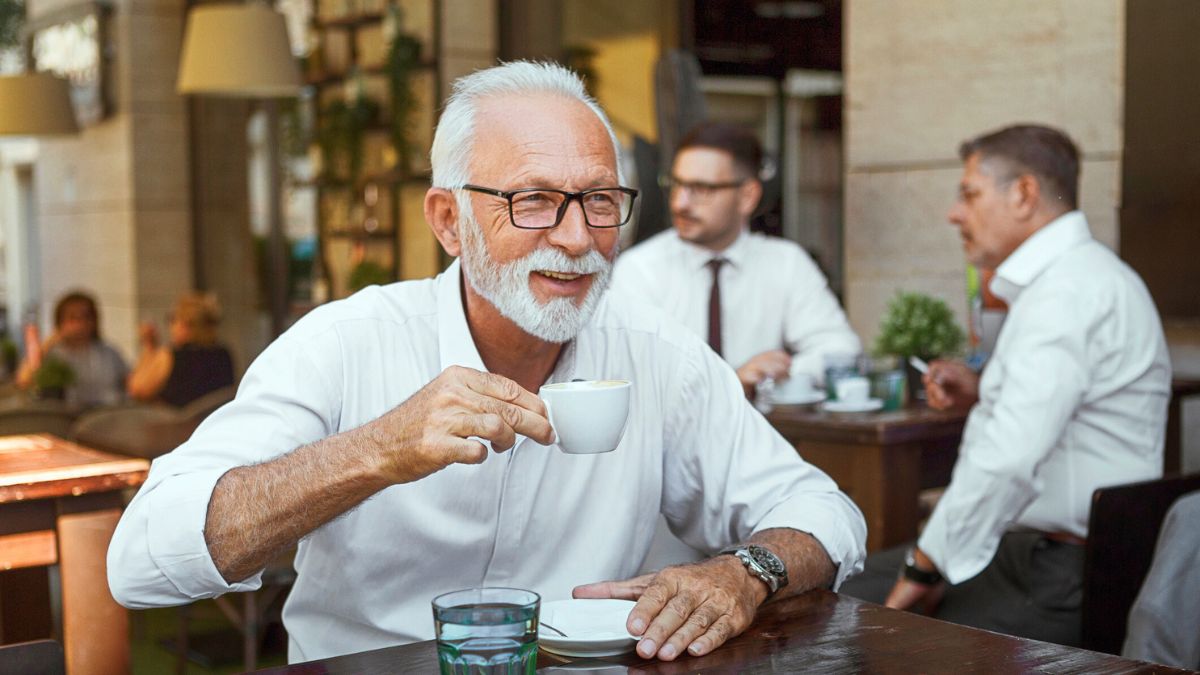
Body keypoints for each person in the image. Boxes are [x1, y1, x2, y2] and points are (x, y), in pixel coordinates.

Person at [107, 62, 867, 663]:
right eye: (534, 200)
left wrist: (742, 573)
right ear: (449, 219)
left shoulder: (653, 350)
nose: (576, 238)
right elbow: (141, 559)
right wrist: (376, 450)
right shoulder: (344, 342)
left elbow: (826, 513)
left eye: (601, 201)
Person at [839, 124, 1171, 647]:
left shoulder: (1065, 293)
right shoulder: (1083, 279)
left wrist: (925, 567)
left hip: (1050, 571)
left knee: (846, 622)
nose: (954, 213)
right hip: (1053, 556)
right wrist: (984, 389)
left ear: (1023, 194)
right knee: (843, 588)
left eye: (969, 194)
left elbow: (1006, 459)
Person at [611, 122, 860, 399]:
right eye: (676, 184)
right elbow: (631, 372)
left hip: (763, 436)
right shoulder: (640, 269)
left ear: (747, 196)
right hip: (667, 438)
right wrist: (732, 381)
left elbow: (841, 349)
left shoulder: (786, 263)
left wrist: (771, 374)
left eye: (701, 188)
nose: (679, 203)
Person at [16, 290, 128, 408]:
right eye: (72, 317)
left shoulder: (109, 353)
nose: (80, 323)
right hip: (65, 418)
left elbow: (130, 384)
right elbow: (23, 380)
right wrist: (53, 338)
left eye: (86, 316)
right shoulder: (53, 354)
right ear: (60, 322)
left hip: (104, 416)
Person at [127, 292, 235, 407]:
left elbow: (137, 389)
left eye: (172, 319)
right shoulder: (223, 354)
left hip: (177, 423)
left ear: (185, 325)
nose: (170, 326)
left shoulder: (170, 356)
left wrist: (149, 347)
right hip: (212, 422)